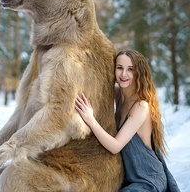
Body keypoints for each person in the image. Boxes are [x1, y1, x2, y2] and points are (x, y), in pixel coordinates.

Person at [75, 49, 180, 192]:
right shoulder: (119, 94)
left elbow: (116, 146)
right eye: (120, 68)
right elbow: (97, 79)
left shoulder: (140, 106)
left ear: (139, 72)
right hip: (128, 179)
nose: (124, 74)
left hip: (148, 179)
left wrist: (90, 119)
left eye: (130, 69)